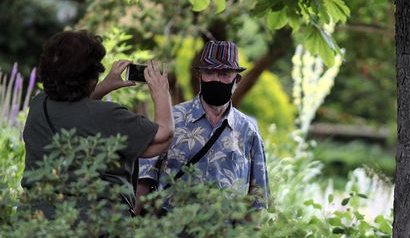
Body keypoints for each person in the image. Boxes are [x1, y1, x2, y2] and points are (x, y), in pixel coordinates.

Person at [22, 30, 174, 217]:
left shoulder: (39, 105)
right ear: (91, 75)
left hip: (37, 224)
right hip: (95, 232)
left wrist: (102, 87)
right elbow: (164, 136)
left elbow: (73, 110)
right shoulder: (107, 116)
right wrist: (161, 94)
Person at [135, 40, 269, 214]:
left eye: (224, 73)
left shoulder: (248, 130)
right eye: (209, 72)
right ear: (199, 76)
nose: (216, 79)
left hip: (225, 236)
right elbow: (144, 181)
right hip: (171, 234)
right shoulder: (171, 118)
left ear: (236, 80)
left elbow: (256, 199)